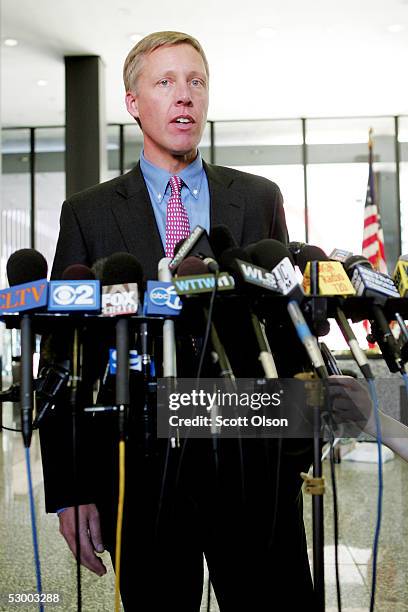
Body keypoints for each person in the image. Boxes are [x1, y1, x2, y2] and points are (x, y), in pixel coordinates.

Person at [39, 31, 314, 610]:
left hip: (253, 457)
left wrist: (297, 451)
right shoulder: (88, 213)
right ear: (134, 102)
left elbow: (287, 330)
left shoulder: (259, 198)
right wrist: (69, 491)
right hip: (142, 471)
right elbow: (63, 356)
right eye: (165, 82)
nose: (184, 96)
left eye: (196, 81)